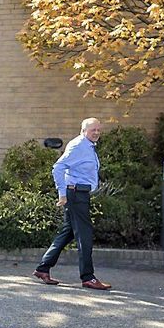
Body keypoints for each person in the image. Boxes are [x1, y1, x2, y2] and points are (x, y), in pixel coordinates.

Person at [32, 117, 112, 290]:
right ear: (83, 131)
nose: (97, 133)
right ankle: (88, 277)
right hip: (75, 195)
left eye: (98, 129)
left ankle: (43, 268)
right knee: (85, 234)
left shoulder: (87, 146)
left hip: (79, 193)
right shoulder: (78, 146)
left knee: (67, 233)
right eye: (93, 130)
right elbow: (58, 167)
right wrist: (62, 194)